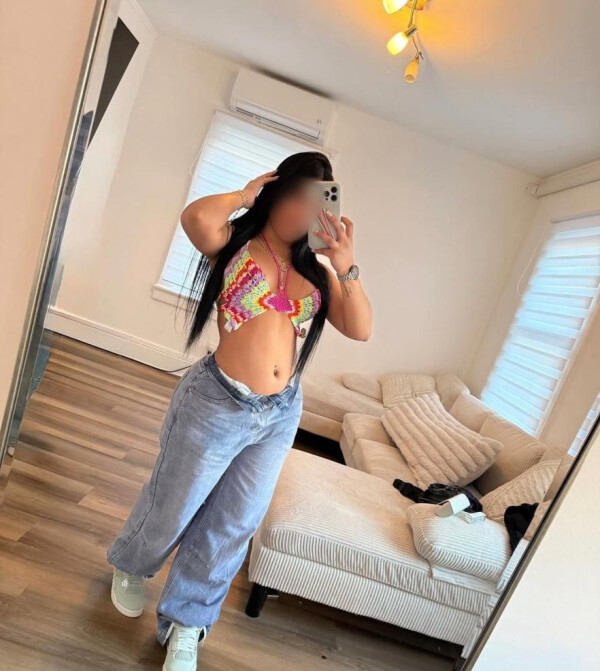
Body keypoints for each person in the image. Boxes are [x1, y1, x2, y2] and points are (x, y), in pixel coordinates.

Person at [105, 151, 372, 670]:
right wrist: (243, 195)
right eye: (294, 196)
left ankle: (186, 623)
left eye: (315, 203)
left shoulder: (317, 274)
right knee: (174, 504)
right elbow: (196, 218)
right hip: (216, 401)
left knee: (235, 523)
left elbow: (360, 328)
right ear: (275, 192)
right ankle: (132, 565)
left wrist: (346, 266)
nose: (301, 211)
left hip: (279, 414)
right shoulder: (234, 245)